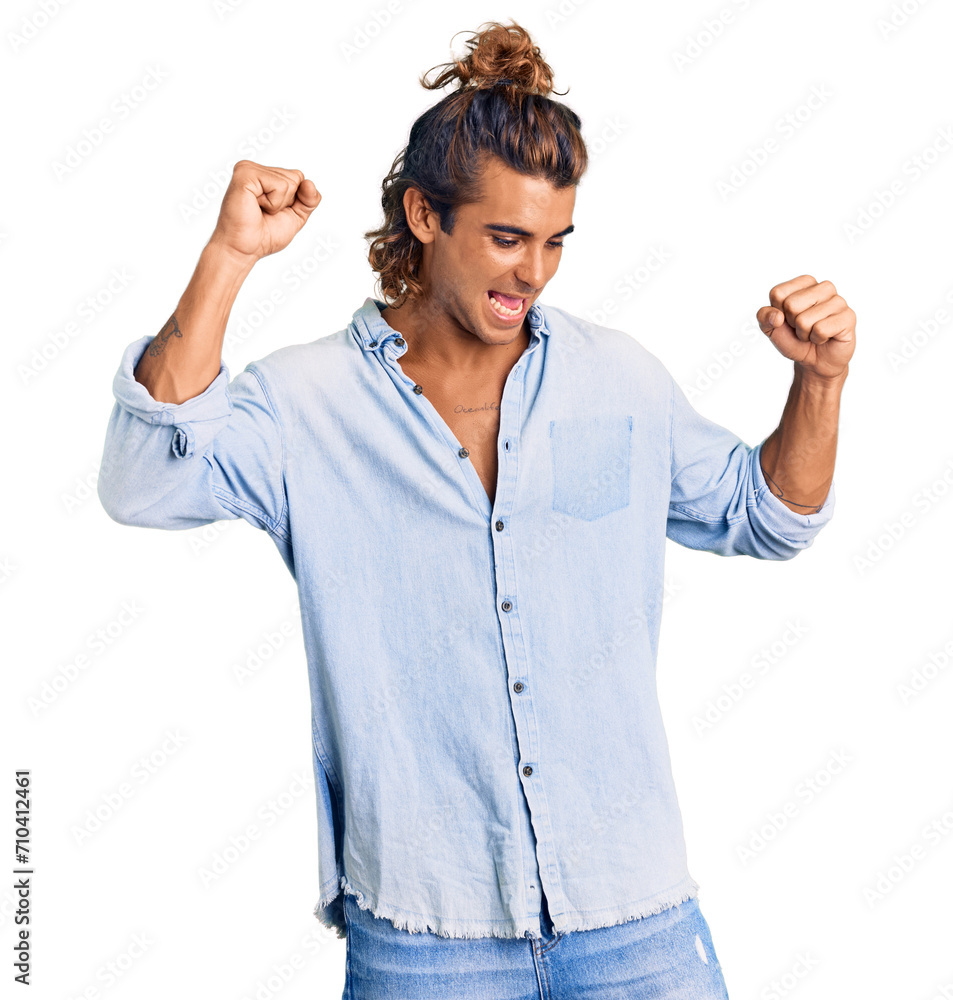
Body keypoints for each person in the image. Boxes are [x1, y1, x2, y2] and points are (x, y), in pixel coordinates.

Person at [97, 19, 854, 1000]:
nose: (530, 272)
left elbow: (767, 516)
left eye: (552, 241)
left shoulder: (616, 377)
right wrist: (229, 257)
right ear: (422, 214)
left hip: (635, 923)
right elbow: (143, 480)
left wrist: (820, 385)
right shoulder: (308, 402)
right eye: (504, 238)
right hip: (426, 935)